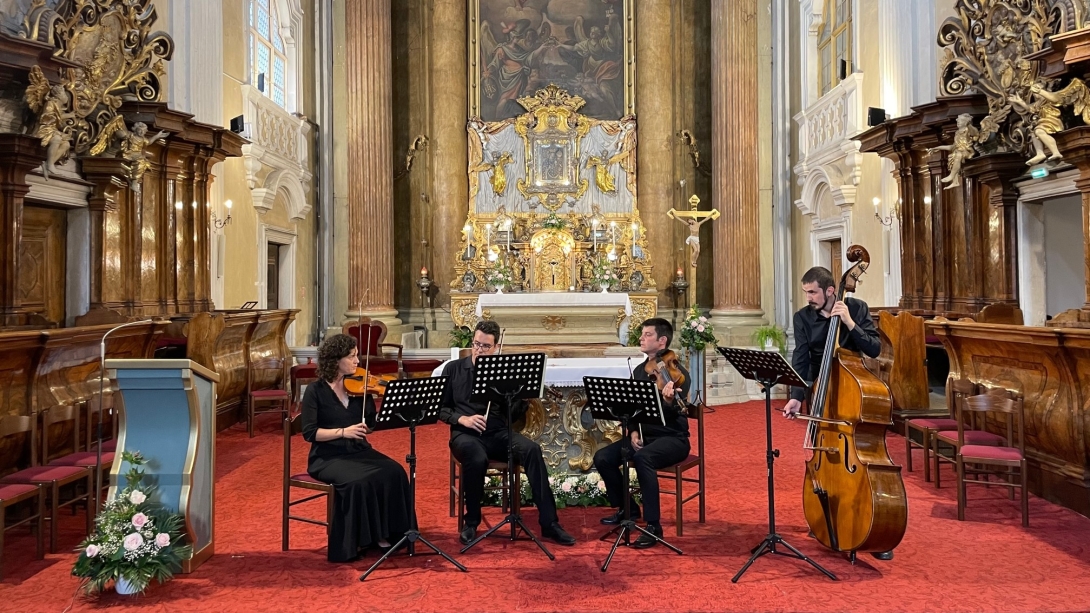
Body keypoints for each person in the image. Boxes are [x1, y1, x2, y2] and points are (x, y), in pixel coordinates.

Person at [781, 267, 891, 560]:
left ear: (831, 291)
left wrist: (849, 323)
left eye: (812, 292)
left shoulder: (856, 308)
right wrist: (795, 398)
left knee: (860, 453)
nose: (808, 298)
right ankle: (826, 520)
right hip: (821, 392)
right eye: (806, 292)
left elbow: (875, 349)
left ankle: (872, 529)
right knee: (824, 458)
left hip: (851, 393)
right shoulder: (803, 317)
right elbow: (801, 358)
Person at [438, 320, 577, 547]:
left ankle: (549, 523)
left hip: (497, 433)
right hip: (466, 435)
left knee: (532, 450)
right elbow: (441, 409)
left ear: (495, 347)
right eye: (476, 344)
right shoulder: (453, 369)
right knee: (476, 456)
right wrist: (462, 419)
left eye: (485, 346)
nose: (479, 350)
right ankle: (471, 521)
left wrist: (521, 397)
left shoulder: (502, 371)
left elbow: (510, 414)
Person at [301, 334, 413, 563]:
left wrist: (385, 410)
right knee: (357, 483)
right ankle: (355, 541)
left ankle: (386, 534)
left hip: (358, 450)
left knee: (395, 471)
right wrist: (343, 432)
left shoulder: (360, 387)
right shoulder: (315, 391)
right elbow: (310, 433)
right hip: (328, 457)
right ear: (335, 360)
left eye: (356, 356)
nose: (357, 362)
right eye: (351, 357)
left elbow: (370, 425)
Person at [593, 318, 691, 548]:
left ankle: (653, 525)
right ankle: (628, 508)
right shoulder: (639, 370)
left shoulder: (678, 373)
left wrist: (668, 401)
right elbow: (632, 408)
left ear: (662, 341)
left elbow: (678, 410)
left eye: (647, 335)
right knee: (603, 458)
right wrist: (634, 430)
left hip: (672, 439)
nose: (641, 338)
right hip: (645, 436)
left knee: (642, 457)